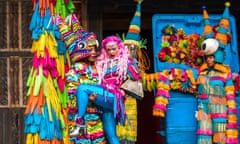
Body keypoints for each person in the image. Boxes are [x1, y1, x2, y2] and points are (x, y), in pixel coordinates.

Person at [71, 35, 141, 144]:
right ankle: (81, 125)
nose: (111, 52)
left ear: (120, 48)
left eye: (114, 49)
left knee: (82, 88)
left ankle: (80, 123)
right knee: (111, 136)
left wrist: (124, 89)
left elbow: (136, 78)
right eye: (108, 49)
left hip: (115, 97)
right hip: (105, 100)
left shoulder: (126, 61)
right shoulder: (103, 62)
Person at [57, 14, 107, 143]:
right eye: (89, 49)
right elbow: (71, 97)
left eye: (94, 49)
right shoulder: (74, 72)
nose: (93, 52)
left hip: (97, 118)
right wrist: (86, 99)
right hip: (80, 120)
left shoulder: (99, 68)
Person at [195, 3, 238, 143]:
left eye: (212, 57)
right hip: (204, 110)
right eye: (207, 57)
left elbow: (231, 98)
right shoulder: (202, 72)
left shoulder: (225, 72)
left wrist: (231, 117)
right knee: (203, 139)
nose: (209, 60)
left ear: (218, 56)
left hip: (220, 111)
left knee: (220, 139)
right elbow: (197, 89)